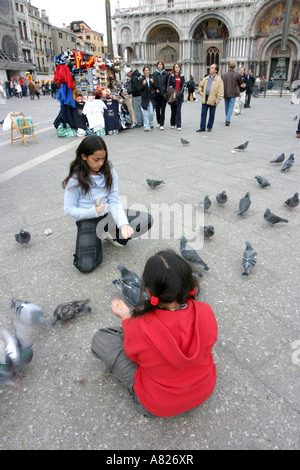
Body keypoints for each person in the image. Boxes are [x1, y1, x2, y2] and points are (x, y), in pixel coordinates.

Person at [91, 249, 218, 418]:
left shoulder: (140, 326)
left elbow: (133, 356)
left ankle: (143, 394)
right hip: (203, 390)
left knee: (102, 338)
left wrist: (127, 318)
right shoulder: (206, 311)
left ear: (149, 293)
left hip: (158, 406)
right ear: (189, 284)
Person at [62, 136, 153, 273]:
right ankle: (96, 238)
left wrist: (123, 224)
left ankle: (110, 235)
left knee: (146, 220)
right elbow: (68, 209)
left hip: (107, 215)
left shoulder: (109, 171)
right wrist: (93, 212)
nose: (100, 163)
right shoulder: (75, 179)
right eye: (96, 159)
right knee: (85, 266)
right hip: (87, 219)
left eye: (103, 158)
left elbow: (114, 201)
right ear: (84, 156)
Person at [196, 63, 224, 132]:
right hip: (205, 98)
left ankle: (209, 127)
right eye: (210, 67)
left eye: (212, 68)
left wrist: (218, 99)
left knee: (212, 114)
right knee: (203, 114)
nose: (210, 69)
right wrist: (200, 92)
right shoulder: (206, 78)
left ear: (216, 70)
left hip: (213, 99)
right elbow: (200, 85)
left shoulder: (219, 80)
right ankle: (202, 127)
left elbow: (220, 90)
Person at [221, 61, 243, 126]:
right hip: (233, 92)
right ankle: (227, 119)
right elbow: (240, 82)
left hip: (225, 92)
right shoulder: (237, 74)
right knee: (231, 106)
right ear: (235, 66)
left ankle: (227, 118)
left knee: (227, 106)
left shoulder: (224, 75)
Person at [138, 65, 156, 132]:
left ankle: (151, 122)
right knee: (145, 113)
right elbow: (139, 89)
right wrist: (143, 84)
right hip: (144, 98)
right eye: (145, 70)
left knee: (151, 113)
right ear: (143, 72)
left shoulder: (153, 78)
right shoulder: (141, 79)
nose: (147, 72)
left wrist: (153, 82)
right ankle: (146, 127)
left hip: (151, 98)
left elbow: (156, 86)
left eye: (148, 70)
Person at [168, 63, 185, 131]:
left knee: (178, 110)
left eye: (178, 67)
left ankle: (178, 125)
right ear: (174, 68)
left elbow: (183, 85)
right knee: (173, 111)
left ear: (180, 68)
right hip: (173, 95)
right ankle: (172, 123)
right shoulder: (171, 76)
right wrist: (170, 88)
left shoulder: (182, 76)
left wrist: (180, 93)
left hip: (179, 96)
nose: (177, 68)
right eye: (176, 67)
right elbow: (169, 85)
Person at [152, 60, 169, 130]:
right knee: (157, 109)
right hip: (157, 94)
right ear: (157, 66)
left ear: (163, 66)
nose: (160, 66)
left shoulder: (166, 74)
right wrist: (156, 88)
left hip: (164, 94)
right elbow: (153, 82)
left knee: (163, 109)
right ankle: (159, 121)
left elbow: (167, 83)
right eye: (159, 65)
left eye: (161, 65)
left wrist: (167, 90)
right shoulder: (154, 74)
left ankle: (162, 124)